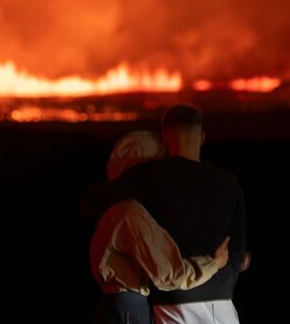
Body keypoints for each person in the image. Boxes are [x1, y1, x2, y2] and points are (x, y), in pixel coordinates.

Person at [82, 106, 247, 324]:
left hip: (171, 302)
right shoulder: (229, 182)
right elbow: (237, 251)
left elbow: (91, 202)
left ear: (165, 138)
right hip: (220, 299)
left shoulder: (150, 177)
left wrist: (127, 177)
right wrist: (223, 277)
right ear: (203, 137)